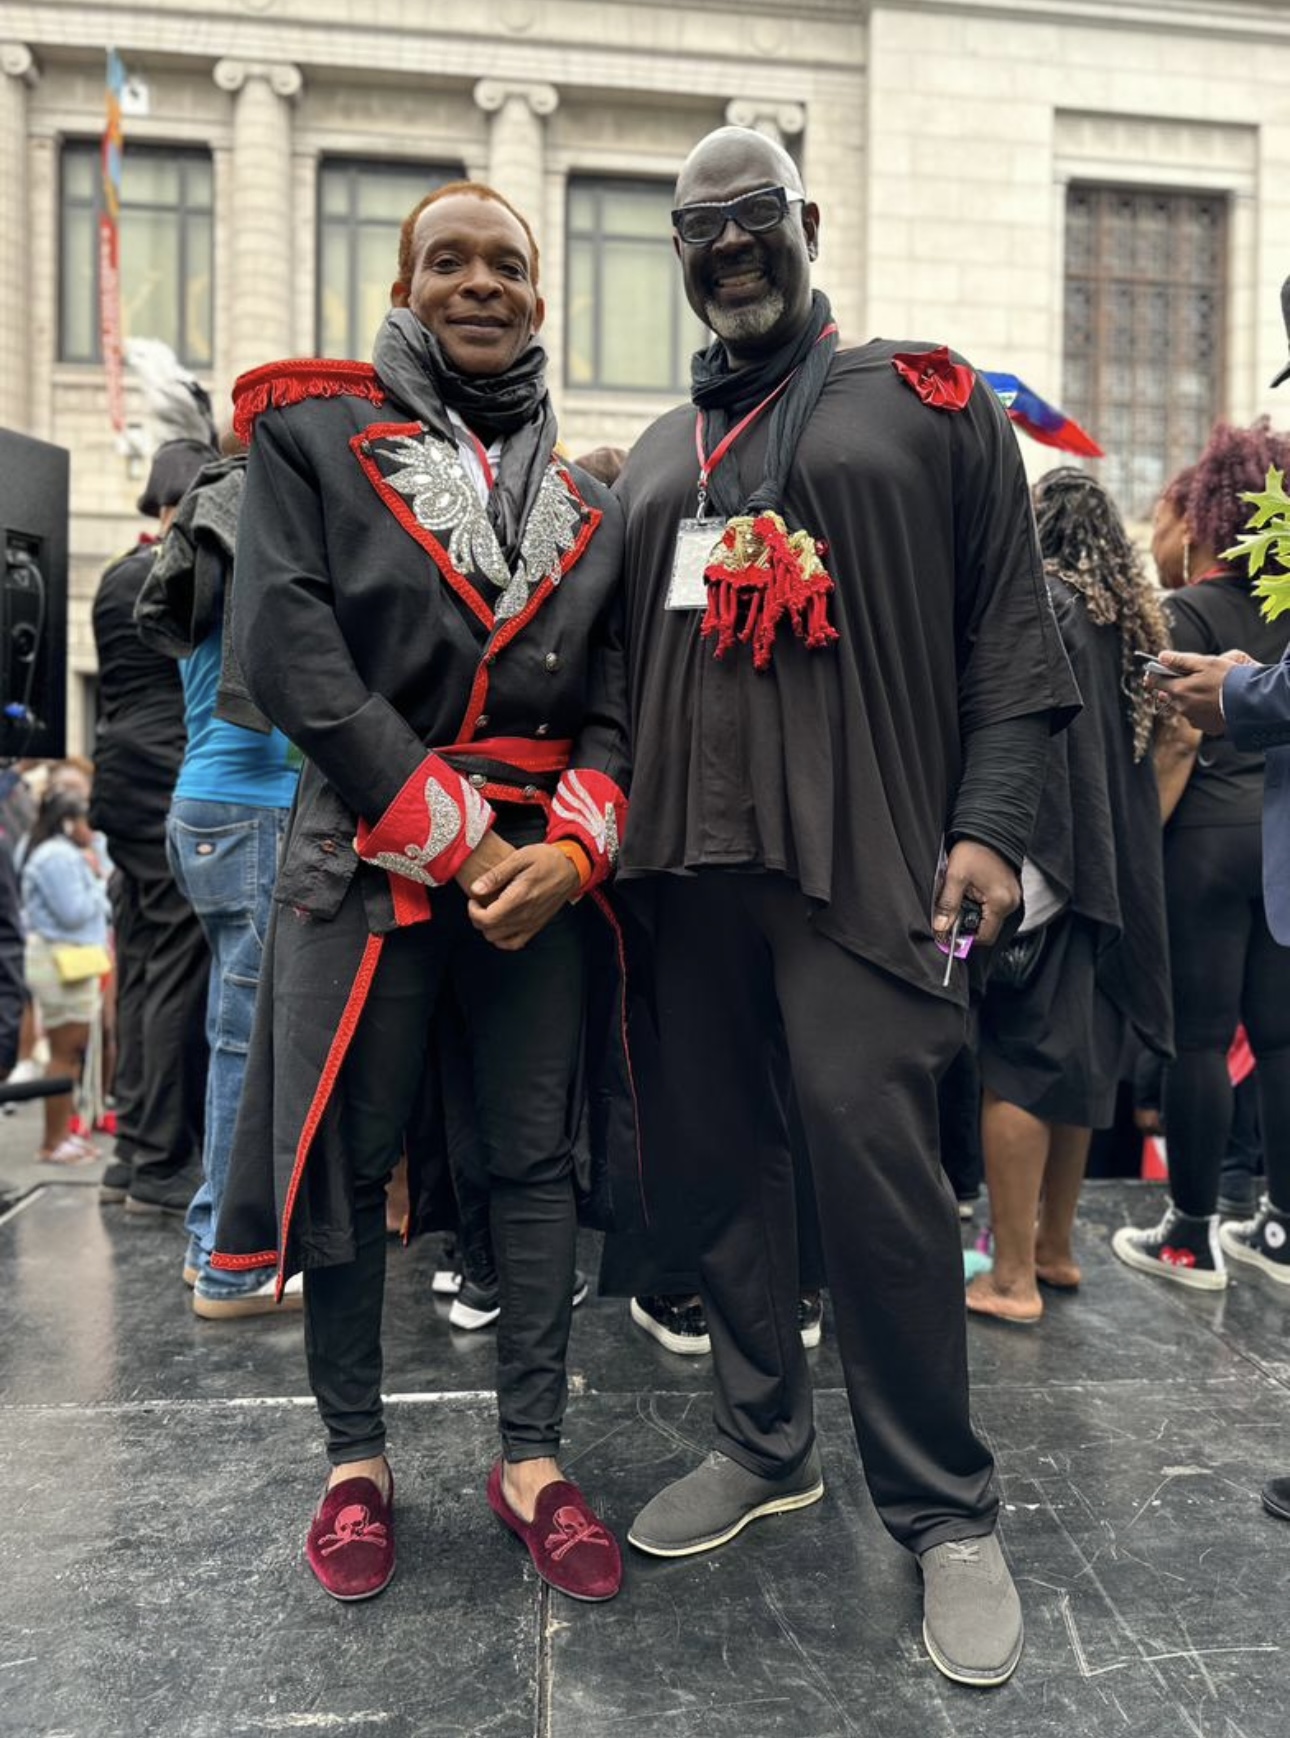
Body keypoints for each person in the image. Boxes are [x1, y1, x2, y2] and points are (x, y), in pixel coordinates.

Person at [612, 126, 1079, 1687]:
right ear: (675, 253)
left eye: (752, 217)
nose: (727, 244)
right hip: (687, 878)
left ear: (804, 222)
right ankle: (762, 1436)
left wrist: (991, 835)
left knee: (876, 1177)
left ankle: (943, 1508)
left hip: (873, 868)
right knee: (712, 1164)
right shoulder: (658, 455)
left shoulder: (923, 402)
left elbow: (1011, 646)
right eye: (698, 227)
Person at [212, 182, 630, 1605]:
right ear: (402, 283)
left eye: (504, 265)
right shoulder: (310, 438)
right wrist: (449, 831)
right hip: (371, 854)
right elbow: (286, 644)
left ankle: (532, 1456)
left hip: (536, 885)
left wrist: (571, 848)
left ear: (537, 296)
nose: (478, 283)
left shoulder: (591, 499)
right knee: (348, 1154)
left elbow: (616, 712)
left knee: (533, 1160)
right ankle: (352, 1461)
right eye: (445, 259)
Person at [965, 469, 1172, 1324]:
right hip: (1110, 877)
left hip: (1049, 871)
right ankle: (1053, 1249)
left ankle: (1010, 1276)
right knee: (1078, 1069)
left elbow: (1033, 750)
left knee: (1017, 1066)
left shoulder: (1045, 604)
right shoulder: (1126, 619)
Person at [1113, 419, 1290, 1293]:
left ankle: (1190, 1234)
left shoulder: (1181, 610)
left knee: (1199, 1041)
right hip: (1282, 841)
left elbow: (1167, 747)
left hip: (1206, 844)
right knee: (1284, 1041)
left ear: (1208, 512)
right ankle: (1283, 1229)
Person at [134, 436, 303, 1318]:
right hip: (255, 812)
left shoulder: (201, 542)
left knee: (229, 1030)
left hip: (202, 808)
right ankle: (235, 1262)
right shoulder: (257, 544)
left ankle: (214, 1241)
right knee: (246, 1040)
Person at [91, 442, 212, 1216]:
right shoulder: (175, 570)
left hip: (120, 783)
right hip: (165, 778)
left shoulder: (113, 575)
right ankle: (165, 1159)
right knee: (174, 965)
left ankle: (134, 1146)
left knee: (139, 964)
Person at [19, 789, 112, 1161]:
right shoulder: (58, 856)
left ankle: (61, 1135)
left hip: (68, 961)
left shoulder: (57, 852)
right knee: (63, 1054)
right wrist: (99, 882)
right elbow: (73, 912)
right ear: (69, 821)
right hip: (62, 962)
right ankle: (53, 1141)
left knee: (70, 1053)